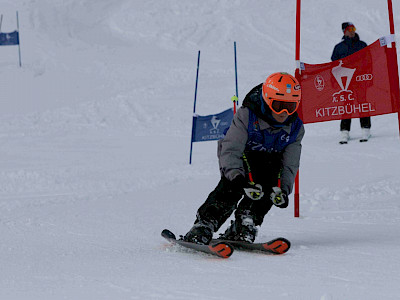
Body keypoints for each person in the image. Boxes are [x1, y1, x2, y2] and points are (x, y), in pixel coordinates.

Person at [183, 72, 304, 245]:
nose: (284, 113)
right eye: (279, 105)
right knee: (232, 187)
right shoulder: (247, 115)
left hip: (268, 161)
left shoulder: (295, 128)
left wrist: (283, 189)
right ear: (268, 100)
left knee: (268, 186)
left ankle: (246, 222)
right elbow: (231, 149)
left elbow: (290, 163)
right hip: (240, 158)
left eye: (290, 106)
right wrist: (236, 176)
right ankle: (205, 223)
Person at [331, 22, 371, 144]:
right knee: (346, 105)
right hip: (346, 83)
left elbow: (369, 62)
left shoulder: (362, 45)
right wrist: (334, 82)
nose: (352, 31)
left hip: (360, 80)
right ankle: (345, 131)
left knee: (362, 103)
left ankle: (366, 129)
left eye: (353, 28)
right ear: (344, 32)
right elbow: (333, 66)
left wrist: (369, 78)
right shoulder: (339, 48)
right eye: (349, 29)